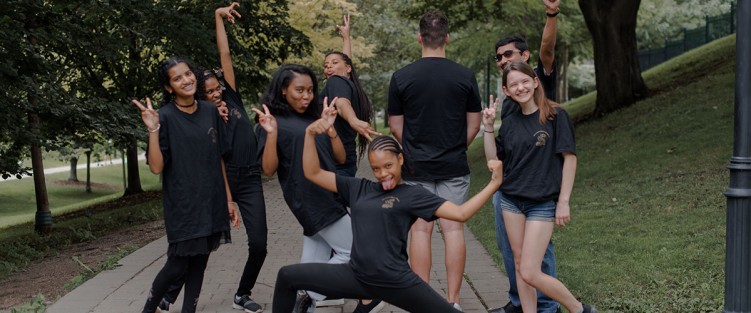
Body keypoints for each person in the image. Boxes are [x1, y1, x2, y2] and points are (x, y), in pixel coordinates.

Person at [270, 104, 503, 312]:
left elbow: (461, 213)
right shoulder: (359, 188)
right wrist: (310, 134)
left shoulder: (412, 195)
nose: (383, 174)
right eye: (376, 168)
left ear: (401, 160)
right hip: (356, 276)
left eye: (388, 165)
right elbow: (313, 173)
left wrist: (494, 184)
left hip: (396, 281)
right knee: (287, 276)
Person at [156, 4, 268, 313]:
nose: (216, 93)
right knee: (197, 247)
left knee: (259, 242)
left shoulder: (230, 97)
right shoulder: (202, 115)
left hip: (250, 178)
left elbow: (225, 56)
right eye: (210, 92)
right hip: (222, 178)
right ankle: (169, 293)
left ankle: (242, 294)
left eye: (217, 88)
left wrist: (218, 18)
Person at [481, 61, 594, 313]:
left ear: (535, 81)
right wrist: (488, 128)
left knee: (531, 270)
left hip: (541, 203)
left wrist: (563, 201)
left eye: (524, 81)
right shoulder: (509, 121)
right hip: (511, 201)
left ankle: (579, 309)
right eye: (513, 85)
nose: (520, 87)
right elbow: (494, 161)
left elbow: (570, 158)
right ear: (506, 91)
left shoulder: (555, 116)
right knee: (521, 265)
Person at [387, 11, 482, 311]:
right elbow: (475, 124)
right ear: (447, 38)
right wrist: (456, 147)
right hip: (453, 165)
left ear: (419, 38)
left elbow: (394, 125)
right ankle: (453, 302)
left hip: (416, 167)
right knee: (453, 230)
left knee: (420, 230)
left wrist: (413, 150)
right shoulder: (465, 76)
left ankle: (423, 303)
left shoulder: (401, 77)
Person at [132, 56, 240, 313]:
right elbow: (157, 167)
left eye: (188, 74)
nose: (186, 80)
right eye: (177, 78)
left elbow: (219, 159)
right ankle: (148, 309)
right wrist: (153, 129)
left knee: (200, 263)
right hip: (183, 204)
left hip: (211, 199)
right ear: (169, 88)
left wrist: (228, 199)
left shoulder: (211, 110)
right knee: (178, 264)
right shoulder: (165, 117)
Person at [252, 64, 355, 312]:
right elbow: (268, 169)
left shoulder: (314, 118)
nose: (307, 96)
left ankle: (302, 296)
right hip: (312, 198)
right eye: (299, 90)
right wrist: (272, 134)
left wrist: (330, 128)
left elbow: (340, 159)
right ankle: (305, 293)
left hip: (331, 193)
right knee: (355, 253)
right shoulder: (272, 122)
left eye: (310, 90)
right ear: (284, 90)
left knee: (313, 261)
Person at [489, 2, 561, 312]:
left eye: (509, 54)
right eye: (499, 57)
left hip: (537, 189)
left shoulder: (537, 81)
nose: (503, 59)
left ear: (525, 56)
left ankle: (546, 305)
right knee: (511, 250)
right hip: (508, 188)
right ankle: (520, 301)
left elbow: (548, 48)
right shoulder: (508, 100)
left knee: (538, 253)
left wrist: (551, 15)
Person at [320, 14, 380, 177]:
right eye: (326, 66)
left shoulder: (335, 83)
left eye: (334, 63)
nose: (328, 67)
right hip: (346, 162)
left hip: (332, 164)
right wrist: (346, 38)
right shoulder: (348, 83)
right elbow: (346, 63)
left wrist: (353, 120)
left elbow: (341, 104)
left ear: (346, 68)